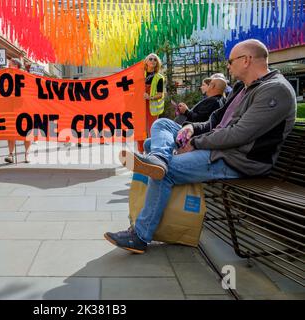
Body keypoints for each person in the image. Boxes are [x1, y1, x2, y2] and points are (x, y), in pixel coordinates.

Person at [104, 39, 297, 254]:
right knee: (162, 125)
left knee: (165, 172)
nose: (228, 66)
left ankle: (139, 235)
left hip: (235, 159)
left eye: (230, 61)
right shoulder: (244, 87)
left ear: (247, 60)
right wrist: (193, 129)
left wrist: (195, 143)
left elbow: (239, 135)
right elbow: (214, 121)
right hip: (218, 147)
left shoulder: (275, 90)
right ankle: (159, 157)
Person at [5, 58, 31, 163]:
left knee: (26, 133)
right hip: (11, 108)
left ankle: (27, 155)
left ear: (16, 65)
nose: (8, 66)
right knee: (11, 133)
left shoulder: (26, 76)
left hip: (25, 108)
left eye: (10, 64)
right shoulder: (6, 76)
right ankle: (10, 154)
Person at [137, 53, 165, 153]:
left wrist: (150, 97)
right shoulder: (139, 75)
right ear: (146, 62)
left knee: (152, 130)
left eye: (155, 60)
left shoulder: (159, 78)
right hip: (139, 106)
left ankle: (152, 152)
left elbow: (160, 94)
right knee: (140, 130)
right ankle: (140, 151)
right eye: (151, 59)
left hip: (152, 108)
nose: (153, 61)